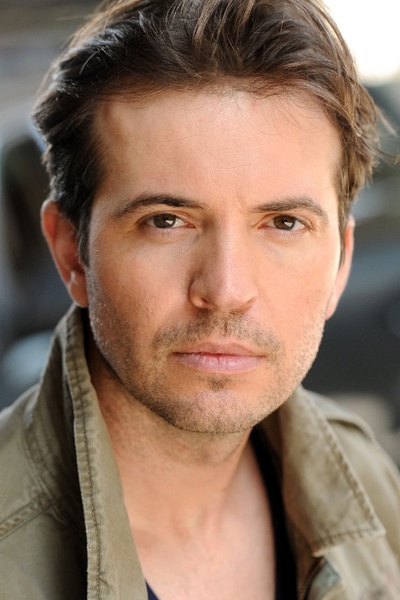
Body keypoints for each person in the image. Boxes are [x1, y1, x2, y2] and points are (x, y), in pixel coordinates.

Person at [0, 0, 399, 597]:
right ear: (71, 254)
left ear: (340, 262)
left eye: (284, 223)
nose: (226, 291)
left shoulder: (365, 478)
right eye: (166, 221)